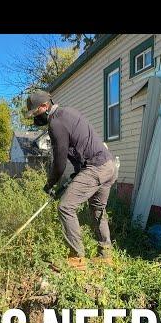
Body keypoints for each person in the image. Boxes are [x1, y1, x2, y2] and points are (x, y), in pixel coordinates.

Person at [25, 90, 118, 270]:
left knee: (65, 207)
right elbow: (80, 146)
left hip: (96, 167)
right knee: (98, 210)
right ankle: (105, 255)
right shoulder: (69, 112)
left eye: (35, 112)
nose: (35, 117)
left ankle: (77, 258)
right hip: (108, 165)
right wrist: (78, 172)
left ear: (44, 106)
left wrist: (50, 183)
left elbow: (59, 161)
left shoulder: (55, 123)